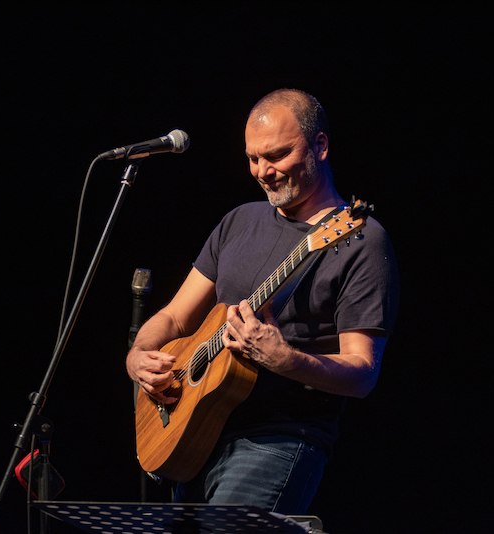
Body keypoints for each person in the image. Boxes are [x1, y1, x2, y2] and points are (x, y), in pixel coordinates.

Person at [125, 88, 400, 515]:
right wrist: (138, 355)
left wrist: (283, 358)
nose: (263, 171)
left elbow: (363, 373)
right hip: (195, 430)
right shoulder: (239, 221)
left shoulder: (360, 240)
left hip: (279, 439)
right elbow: (175, 318)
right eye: (253, 158)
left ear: (320, 146)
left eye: (276, 156)